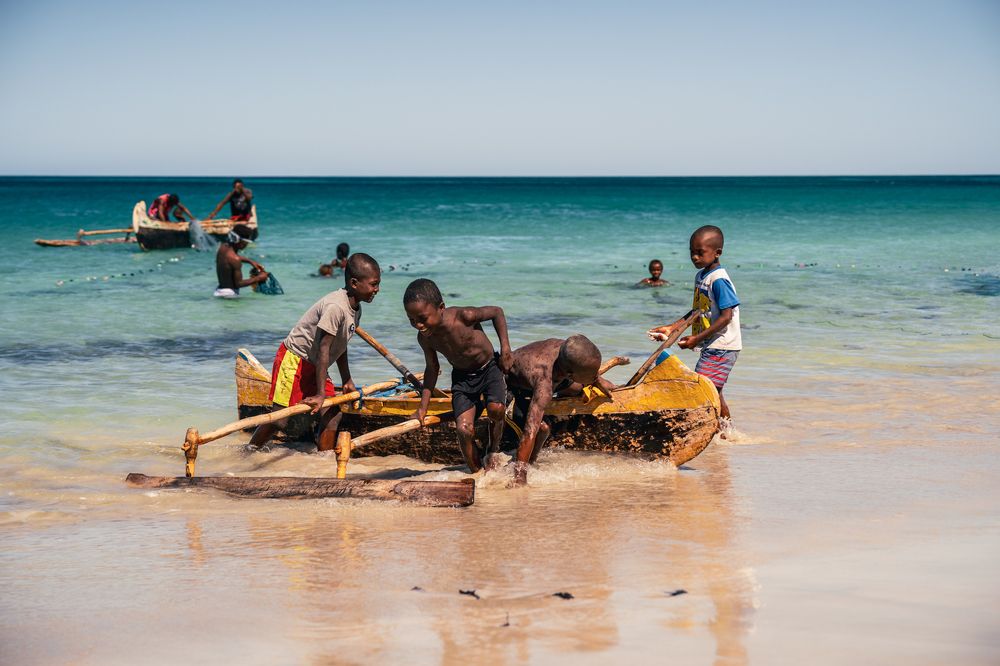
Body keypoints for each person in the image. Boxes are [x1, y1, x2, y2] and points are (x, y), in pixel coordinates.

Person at [248, 254, 382, 451]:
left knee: (332, 413)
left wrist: (347, 380)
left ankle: (323, 461)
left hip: (317, 363)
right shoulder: (335, 307)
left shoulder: (356, 307)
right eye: (373, 284)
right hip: (294, 359)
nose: (377, 290)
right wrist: (320, 393)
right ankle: (249, 451)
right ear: (354, 283)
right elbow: (324, 348)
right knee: (280, 420)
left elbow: (341, 344)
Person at [403, 278, 513, 474]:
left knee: (496, 409)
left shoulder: (465, 316)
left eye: (422, 318)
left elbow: (497, 312)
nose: (418, 325)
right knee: (463, 429)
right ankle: (477, 472)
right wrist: (422, 408)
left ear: (441, 307)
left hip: (490, 368)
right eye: (412, 320)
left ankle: (493, 449)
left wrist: (505, 349)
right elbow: (431, 368)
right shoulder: (425, 338)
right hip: (463, 378)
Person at [648, 225, 741, 425]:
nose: (695, 257)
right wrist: (672, 327)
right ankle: (725, 431)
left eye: (700, 253)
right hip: (712, 345)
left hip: (723, 346)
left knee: (703, 390)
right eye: (692, 252)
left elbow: (726, 316)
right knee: (713, 391)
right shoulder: (701, 276)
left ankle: (718, 430)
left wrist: (696, 339)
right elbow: (698, 311)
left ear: (717, 253)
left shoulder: (719, 280)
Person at [506, 335, 618, 485]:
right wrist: (520, 477)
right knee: (542, 428)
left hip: (556, 373)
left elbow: (583, 365)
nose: (595, 376)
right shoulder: (544, 383)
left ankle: (591, 384)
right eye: (592, 375)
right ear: (570, 374)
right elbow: (529, 431)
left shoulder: (567, 348)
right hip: (517, 387)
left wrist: (596, 380)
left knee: (578, 387)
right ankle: (531, 462)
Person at [213, 224, 268, 298]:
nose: (247, 244)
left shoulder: (223, 248)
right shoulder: (235, 260)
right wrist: (259, 278)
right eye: (247, 242)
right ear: (240, 241)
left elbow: (230, 258)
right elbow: (239, 284)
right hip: (229, 295)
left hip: (219, 291)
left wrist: (250, 261)